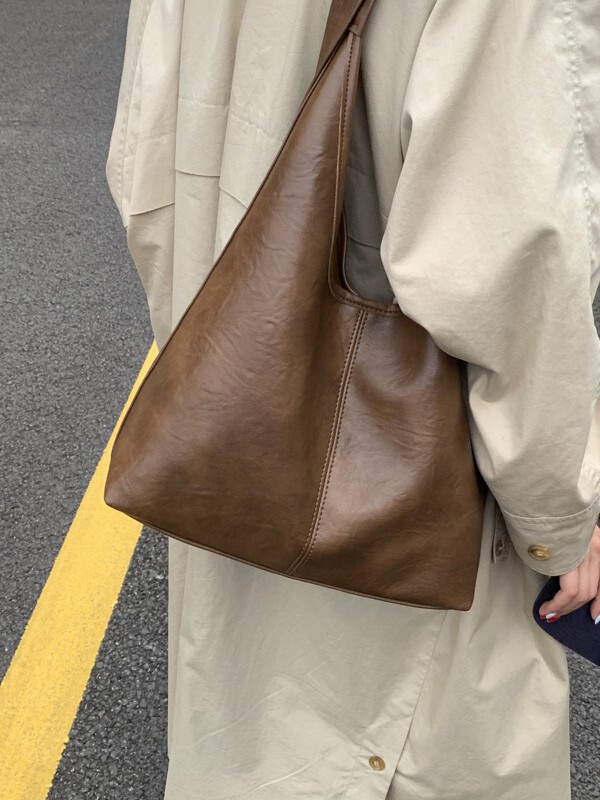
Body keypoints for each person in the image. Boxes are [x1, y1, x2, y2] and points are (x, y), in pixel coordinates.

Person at [106, 1, 600, 797]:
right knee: (397, 748)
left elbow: (145, 181)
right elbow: (510, 285)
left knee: (252, 741)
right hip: (426, 498)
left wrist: (228, 375)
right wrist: (562, 524)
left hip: (236, 437)